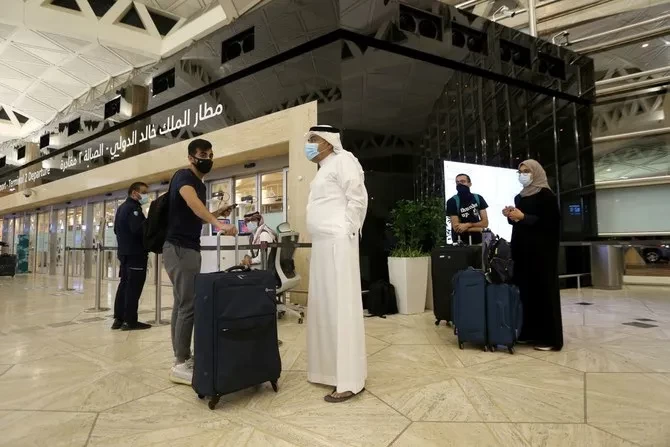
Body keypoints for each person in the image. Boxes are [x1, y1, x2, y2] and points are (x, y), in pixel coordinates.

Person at [163, 138, 237, 385]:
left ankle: (181, 356)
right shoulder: (185, 177)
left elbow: (195, 214)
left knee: (181, 303)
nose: (208, 158)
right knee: (188, 306)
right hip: (181, 249)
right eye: (203, 154)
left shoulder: (198, 183)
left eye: (211, 154)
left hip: (185, 247)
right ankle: (181, 363)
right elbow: (191, 202)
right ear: (191, 157)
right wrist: (218, 224)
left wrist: (215, 214)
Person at [304, 125, 368, 403]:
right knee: (324, 308)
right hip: (322, 244)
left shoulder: (345, 160)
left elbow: (358, 197)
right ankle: (328, 371)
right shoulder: (324, 168)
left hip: (338, 242)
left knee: (341, 308)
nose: (310, 144)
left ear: (329, 142)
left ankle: (349, 380)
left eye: (314, 139)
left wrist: (347, 230)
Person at [503, 159, 563, 351]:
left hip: (542, 252)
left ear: (536, 172)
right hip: (522, 250)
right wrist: (512, 216)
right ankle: (528, 333)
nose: (523, 174)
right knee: (525, 292)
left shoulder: (546, 195)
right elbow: (521, 222)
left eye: (527, 171)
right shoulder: (519, 197)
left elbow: (551, 224)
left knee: (543, 292)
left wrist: (524, 217)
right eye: (520, 171)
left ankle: (549, 338)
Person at [112, 182, 151, 331]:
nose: (146, 195)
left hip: (125, 253)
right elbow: (138, 230)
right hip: (135, 254)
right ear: (134, 193)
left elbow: (116, 230)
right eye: (144, 192)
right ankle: (130, 321)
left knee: (124, 285)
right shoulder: (133, 209)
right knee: (133, 288)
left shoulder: (122, 208)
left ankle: (118, 319)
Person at [446, 174, 489, 245]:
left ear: (470, 184)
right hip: (460, 242)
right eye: (457, 182)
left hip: (479, 241)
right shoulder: (452, 201)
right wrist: (479, 229)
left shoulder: (478, 198)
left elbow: (485, 223)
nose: (460, 184)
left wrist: (467, 225)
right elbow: (456, 228)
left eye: (463, 182)